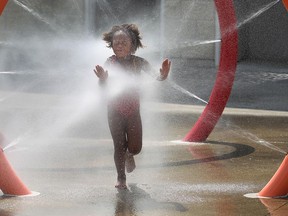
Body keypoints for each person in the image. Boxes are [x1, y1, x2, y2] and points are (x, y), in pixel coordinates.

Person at [94, 23, 171, 189]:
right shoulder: (110, 62)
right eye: (116, 43)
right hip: (114, 110)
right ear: (111, 45)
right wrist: (103, 80)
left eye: (124, 42)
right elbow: (103, 88)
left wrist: (163, 75)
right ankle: (121, 178)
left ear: (132, 45)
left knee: (136, 147)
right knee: (118, 145)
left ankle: (130, 155)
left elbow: (156, 77)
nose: (119, 45)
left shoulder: (139, 62)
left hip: (133, 110)